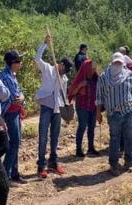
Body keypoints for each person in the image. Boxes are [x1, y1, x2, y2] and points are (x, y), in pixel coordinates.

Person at [35, 34, 74, 178]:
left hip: (57, 108)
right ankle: (41, 166)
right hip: (46, 106)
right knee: (43, 136)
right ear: (61, 64)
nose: (65, 72)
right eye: (65, 69)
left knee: (55, 137)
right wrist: (44, 44)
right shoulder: (48, 69)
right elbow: (37, 58)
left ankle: (53, 163)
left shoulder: (64, 77)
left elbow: (63, 94)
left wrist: (66, 109)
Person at [96, 52, 132, 176]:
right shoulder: (104, 77)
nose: (117, 65)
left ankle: (128, 163)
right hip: (113, 114)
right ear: (112, 62)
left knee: (129, 138)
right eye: (116, 62)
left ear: (123, 63)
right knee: (115, 139)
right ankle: (114, 165)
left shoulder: (129, 75)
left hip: (128, 112)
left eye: (120, 63)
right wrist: (98, 113)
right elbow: (99, 97)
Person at [0, 50, 26, 185]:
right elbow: (15, 98)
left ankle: (14, 173)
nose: (21, 64)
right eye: (19, 61)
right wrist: (22, 98)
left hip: (15, 112)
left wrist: (21, 98)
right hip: (9, 113)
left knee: (16, 142)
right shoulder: (6, 77)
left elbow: (19, 96)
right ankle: (6, 175)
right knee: (13, 143)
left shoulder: (11, 75)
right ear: (13, 63)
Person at [68, 59, 100, 157]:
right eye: (90, 68)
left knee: (91, 128)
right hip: (82, 106)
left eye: (94, 68)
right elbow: (71, 93)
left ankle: (91, 148)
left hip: (93, 107)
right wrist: (79, 86)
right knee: (82, 127)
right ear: (85, 68)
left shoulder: (96, 79)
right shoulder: (80, 79)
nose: (93, 69)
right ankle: (78, 149)